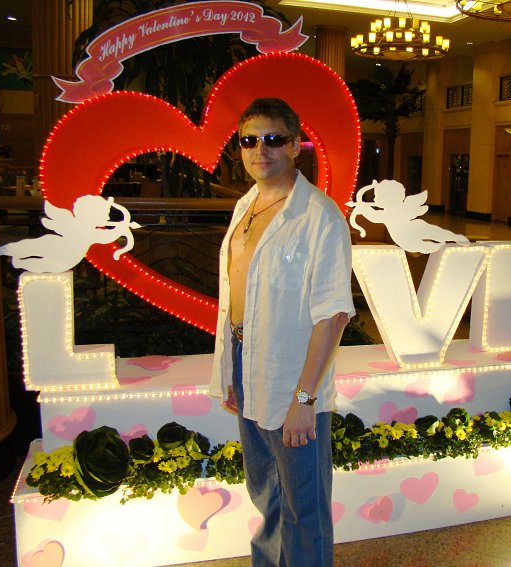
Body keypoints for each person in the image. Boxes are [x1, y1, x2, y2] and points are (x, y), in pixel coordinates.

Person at [210, 98, 355, 567]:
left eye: (273, 139)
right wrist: (229, 370)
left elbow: (333, 315)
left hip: (294, 375)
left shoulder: (320, 216)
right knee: (266, 491)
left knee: (303, 505)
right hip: (245, 359)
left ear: (295, 146)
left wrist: (304, 400)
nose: (260, 150)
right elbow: (236, 293)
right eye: (249, 140)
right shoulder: (245, 205)